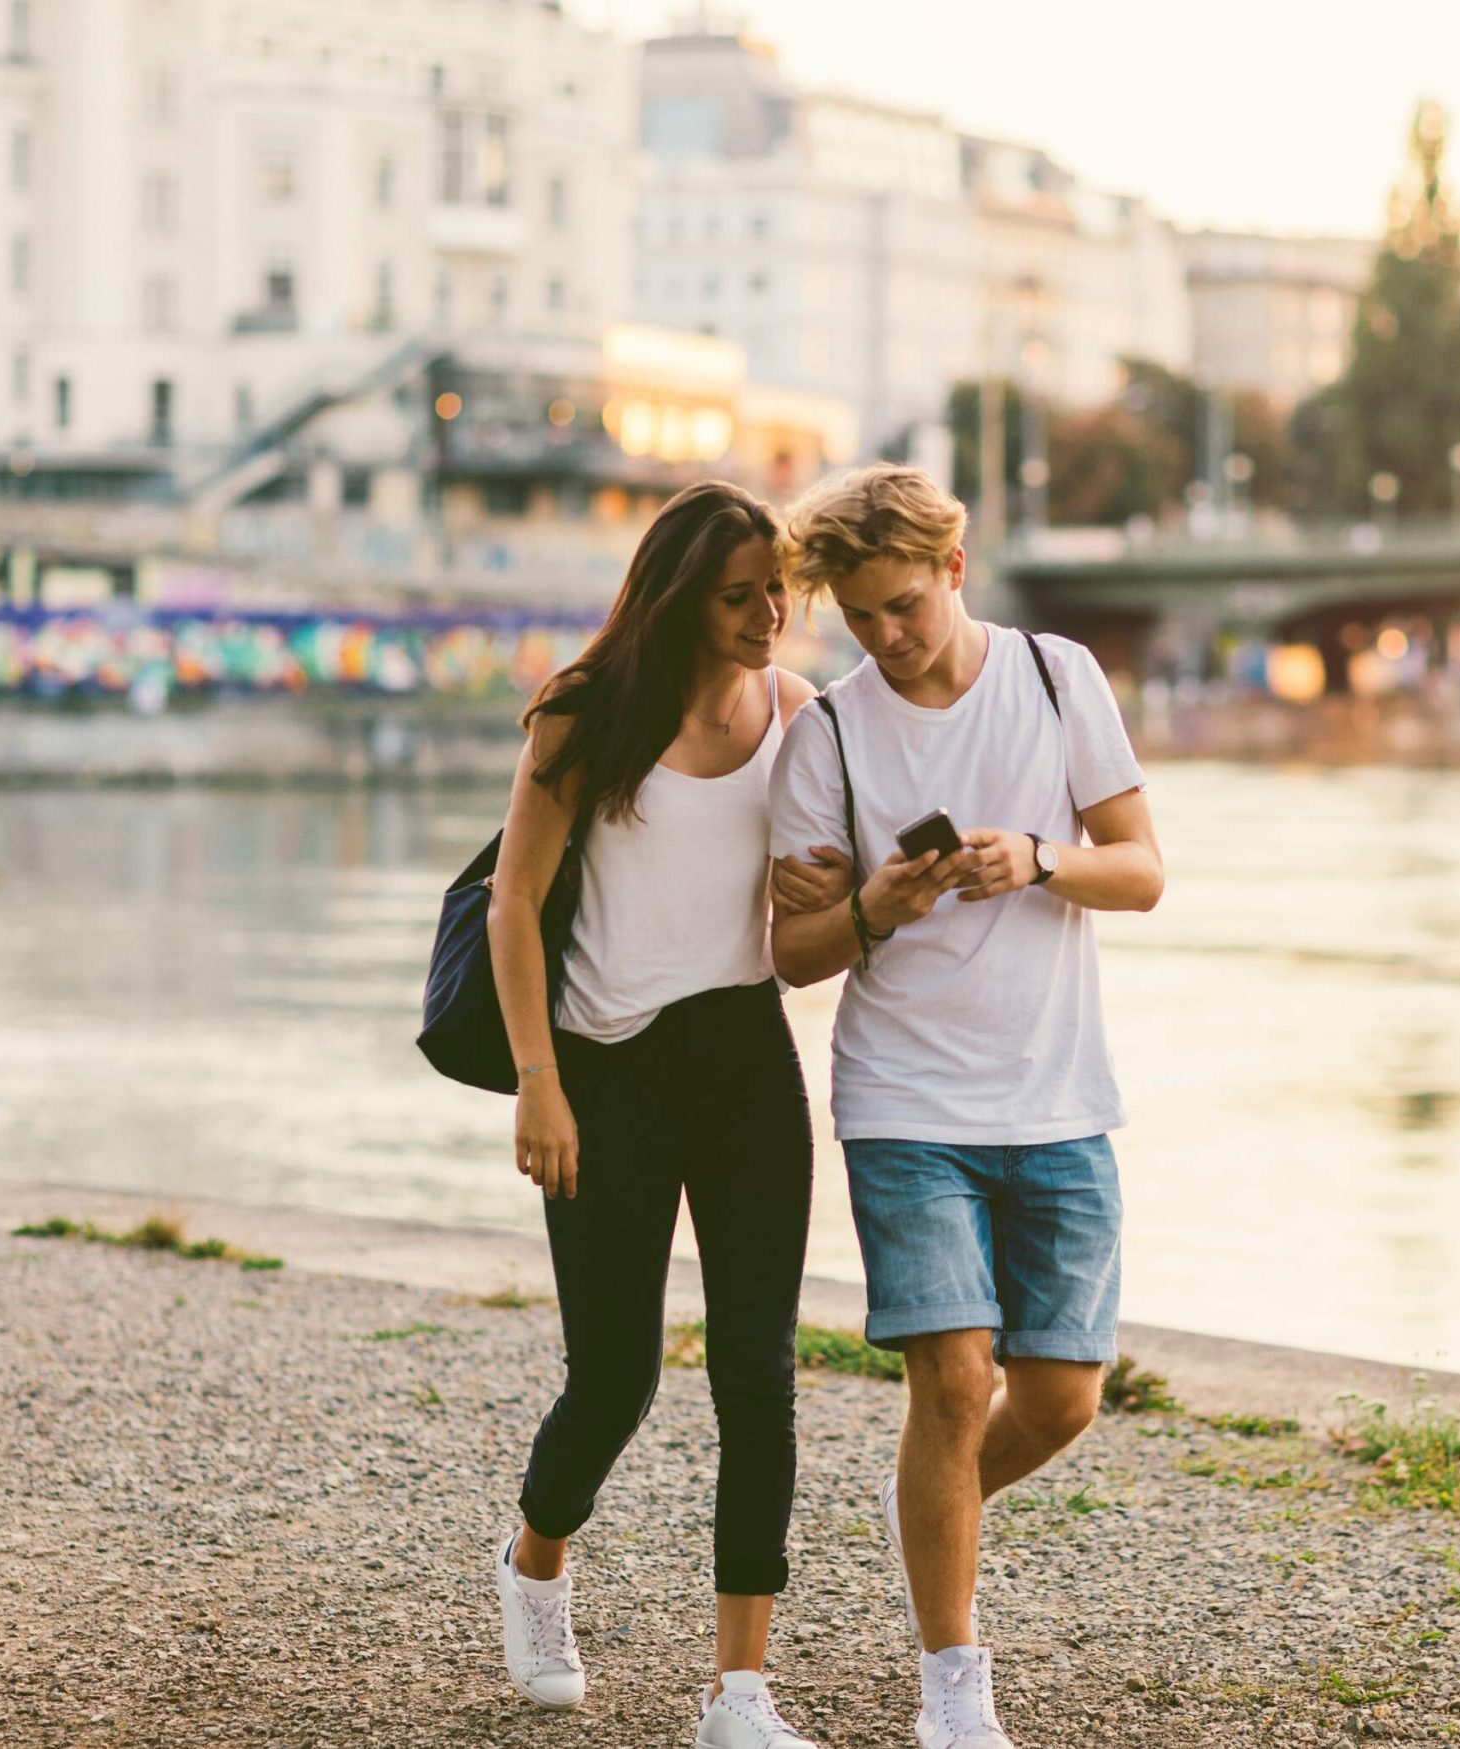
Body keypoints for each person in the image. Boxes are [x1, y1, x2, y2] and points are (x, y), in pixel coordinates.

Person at [765, 465, 1164, 1749]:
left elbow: (1143, 871)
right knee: (951, 1382)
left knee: (1058, 1398)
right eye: (855, 616)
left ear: (952, 568)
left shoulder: (1059, 677)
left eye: (900, 607)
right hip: (904, 1099)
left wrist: (1038, 859)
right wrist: (880, 903)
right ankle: (954, 1687)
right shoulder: (825, 732)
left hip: (1057, 1094)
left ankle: (927, 1509)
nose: (881, 637)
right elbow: (796, 951)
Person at [485, 481, 848, 1749]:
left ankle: (737, 1696)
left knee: (760, 1375)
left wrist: (836, 882)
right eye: (743, 595)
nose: (771, 616)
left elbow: (806, 902)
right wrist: (539, 1081)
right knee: (618, 1375)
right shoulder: (590, 714)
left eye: (779, 593)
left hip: (745, 1059)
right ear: (684, 594)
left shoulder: (798, 716)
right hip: (605, 1070)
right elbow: (512, 907)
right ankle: (536, 1566)